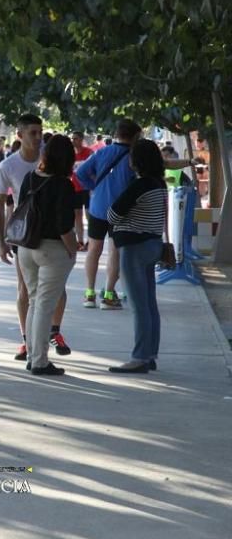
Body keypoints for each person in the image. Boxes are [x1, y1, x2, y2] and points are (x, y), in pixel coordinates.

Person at [0, 114, 72, 361]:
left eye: (40, 133)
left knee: (49, 295)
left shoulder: (41, 168)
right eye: (33, 133)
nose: (38, 138)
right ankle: (31, 348)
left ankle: (47, 339)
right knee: (31, 296)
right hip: (30, 238)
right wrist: (1, 239)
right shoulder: (10, 166)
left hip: (39, 241)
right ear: (20, 135)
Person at [15, 135, 78, 376]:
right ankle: (40, 361)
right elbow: (64, 225)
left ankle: (33, 356)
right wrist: (72, 249)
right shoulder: (63, 184)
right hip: (52, 249)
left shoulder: (30, 178)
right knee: (44, 306)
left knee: (34, 301)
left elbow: (21, 211)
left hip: (26, 247)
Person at [106, 140, 168, 373]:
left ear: (137, 161)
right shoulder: (159, 184)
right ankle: (150, 353)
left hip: (133, 248)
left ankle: (140, 357)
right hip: (153, 244)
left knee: (138, 305)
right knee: (149, 303)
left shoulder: (138, 186)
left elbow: (112, 215)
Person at [75, 120, 140, 310]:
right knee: (115, 251)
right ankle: (109, 295)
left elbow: (80, 173)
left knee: (94, 249)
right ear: (135, 136)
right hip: (120, 210)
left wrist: (94, 187)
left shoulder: (101, 152)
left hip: (97, 207)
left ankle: (89, 294)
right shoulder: (133, 157)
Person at [71, 132, 94, 251]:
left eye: (76, 139)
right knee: (77, 215)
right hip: (74, 188)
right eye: (72, 139)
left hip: (87, 189)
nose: (73, 141)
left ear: (81, 140)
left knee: (89, 215)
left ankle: (90, 241)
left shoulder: (89, 153)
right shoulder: (70, 154)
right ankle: (80, 241)